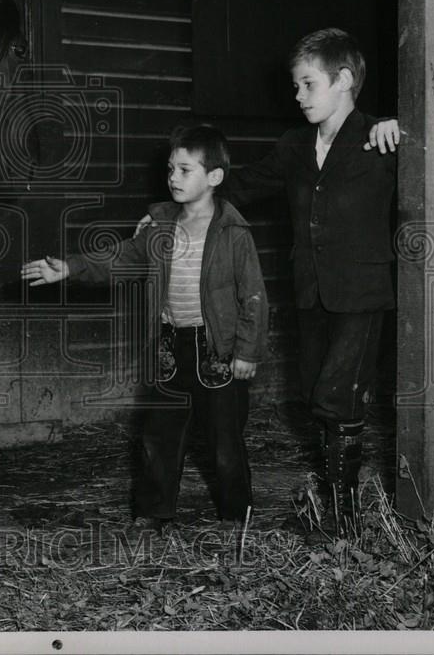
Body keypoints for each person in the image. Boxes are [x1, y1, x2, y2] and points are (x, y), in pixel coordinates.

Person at [136, 28, 400, 532]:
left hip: (361, 293)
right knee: (315, 397)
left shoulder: (377, 137)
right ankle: (340, 513)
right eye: (295, 86)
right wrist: (168, 212)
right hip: (311, 293)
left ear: (343, 80)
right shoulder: (294, 146)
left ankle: (344, 525)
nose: (297, 96)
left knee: (336, 397)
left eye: (307, 84)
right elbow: (236, 184)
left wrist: (407, 131)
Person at [22, 125, 270, 529]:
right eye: (171, 168)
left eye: (185, 169)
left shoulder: (233, 233)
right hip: (170, 345)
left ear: (214, 177)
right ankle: (155, 513)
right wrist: (69, 267)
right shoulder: (159, 228)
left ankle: (234, 517)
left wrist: (247, 351)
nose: (173, 177)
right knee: (160, 433)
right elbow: (119, 258)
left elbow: (254, 296)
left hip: (218, 350)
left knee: (225, 439)